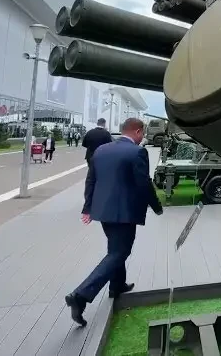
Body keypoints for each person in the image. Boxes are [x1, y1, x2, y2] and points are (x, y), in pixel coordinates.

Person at [65, 118, 162, 326]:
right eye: (143, 133)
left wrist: (88, 207)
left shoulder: (101, 150)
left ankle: (117, 286)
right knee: (119, 252)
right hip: (124, 212)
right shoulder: (137, 152)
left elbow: (91, 180)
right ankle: (80, 295)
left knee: (115, 249)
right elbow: (144, 184)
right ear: (137, 131)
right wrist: (156, 206)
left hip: (103, 211)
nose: (143, 137)